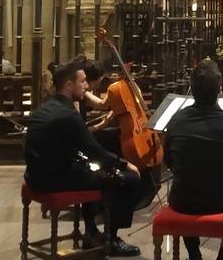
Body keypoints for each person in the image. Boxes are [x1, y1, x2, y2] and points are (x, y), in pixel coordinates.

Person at [24, 59, 142, 257]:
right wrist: (124, 164)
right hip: (55, 180)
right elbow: (94, 150)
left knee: (95, 173)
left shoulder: (43, 109)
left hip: (35, 176)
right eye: (83, 81)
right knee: (127, 179)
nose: (87, 86)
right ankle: (111, 240)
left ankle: (91, 232)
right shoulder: (69, 115)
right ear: (69, 85)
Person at [165, 60, 223, 260]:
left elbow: (167, 161)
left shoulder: (176, 120)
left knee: (187, 185)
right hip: (219, 201)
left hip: (182, 200)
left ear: (191, 89)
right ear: (220, 90)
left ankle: (193, 253)